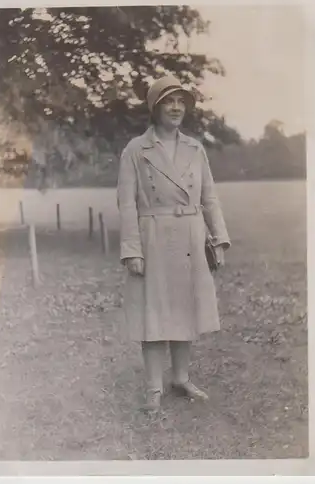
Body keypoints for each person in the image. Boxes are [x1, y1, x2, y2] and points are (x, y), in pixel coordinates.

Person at [116, 74, 230, 412]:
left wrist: (219, 238)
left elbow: (209, 196)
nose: (176, 107)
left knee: (184, 309)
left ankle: (180, 378)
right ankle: (153, 387)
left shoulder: (195, 148)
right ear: (155, 108)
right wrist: (131, 250)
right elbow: (126, 204)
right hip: (153, 236)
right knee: (153, 314)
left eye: (181, 101)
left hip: (191, 237)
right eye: (169, 101)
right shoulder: (136, 150)